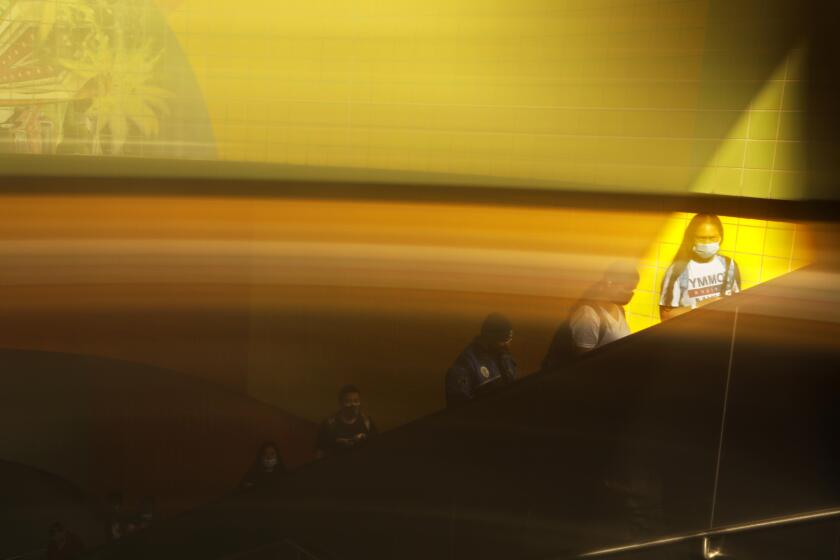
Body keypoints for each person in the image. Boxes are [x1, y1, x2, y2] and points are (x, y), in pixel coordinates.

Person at [541, 262, 638, 372]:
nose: (631, 293)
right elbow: (585, 364)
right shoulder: (588, 315)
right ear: (609, 283)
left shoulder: (619, 309)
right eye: (628, 288)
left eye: (633, 289)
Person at [659, 213, 741, 321]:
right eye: (701, 238)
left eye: (712, 238)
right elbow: (665, 317)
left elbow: (737, 305)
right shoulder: (678, 269)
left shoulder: (729, 265)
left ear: (720, 237)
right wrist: (700, 306)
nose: (707, 243)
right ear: (692, 238)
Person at [444, 313, 517, 407]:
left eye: (509, 340)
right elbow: (458, 407)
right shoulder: (467, 363)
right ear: (490, 339)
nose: (507, 345)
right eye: (503, 341)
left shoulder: (505, 358)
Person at [315, 385, 377, 458]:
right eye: (348, 401)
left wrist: (364, 437)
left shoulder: (367, 422)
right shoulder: (329, 424)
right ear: (340, 403)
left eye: (356, 401)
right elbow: (320, 451)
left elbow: (376, 446)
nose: (353, 405)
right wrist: (336, 443)